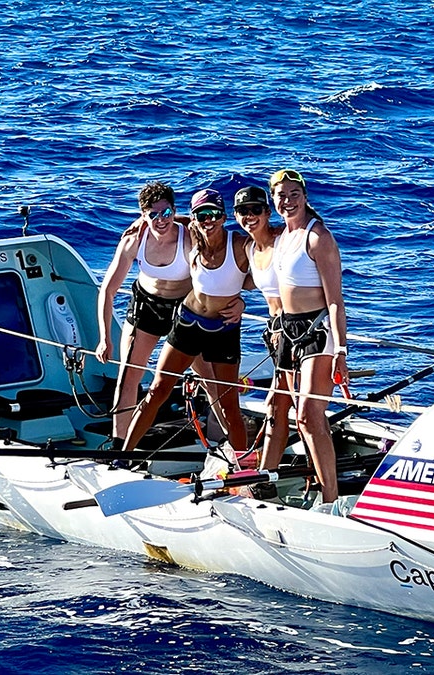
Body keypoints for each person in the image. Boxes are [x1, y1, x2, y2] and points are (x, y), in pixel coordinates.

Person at [121, 189, 251, 459]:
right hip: (188, 323)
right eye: (203, 215)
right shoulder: (192, 234)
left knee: (229, 406)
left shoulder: (239, 244)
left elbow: (265, 271)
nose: (209, 220)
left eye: (215, 214)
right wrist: (143, 222)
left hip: (224, 329)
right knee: (157, 390)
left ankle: (245, 469)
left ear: (225, 216)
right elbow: (169, 220)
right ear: (194, 219)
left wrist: (242, 302)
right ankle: (123, 457)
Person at [95, 181, 207, 450]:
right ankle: (119, 445)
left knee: (207, 373)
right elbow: (108, 291)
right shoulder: (133, 241)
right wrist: (104, 338)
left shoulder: (189, 237)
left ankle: (219, 437)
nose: (160, 220)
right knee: (128, 375)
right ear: (143, 216)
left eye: (166, 213)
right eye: (153, 215)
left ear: (174, 211)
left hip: (183, 306)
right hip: (147, 307)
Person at [268, 169, 348, 506]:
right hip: (288, 331)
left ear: (304, 195)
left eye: (293, 194)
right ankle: (316, 484)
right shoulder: (283, 237)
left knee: (308, 415)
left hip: (318, 333)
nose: (287, 201)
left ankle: (332, 499)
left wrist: (341, 350)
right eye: (280, 195)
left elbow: (334, 300)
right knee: (293, 416)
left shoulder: (318, 238)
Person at [233, 186, 292, 478]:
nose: (250, 216)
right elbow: (244, 282)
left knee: (298, 409)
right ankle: (266, 475)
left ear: (268, 212)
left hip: (300, 332)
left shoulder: (284, 239)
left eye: (257, 210)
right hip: (276, 334)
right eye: (243, 211)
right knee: (277, 406)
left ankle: (320, 482)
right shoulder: (247, 248)